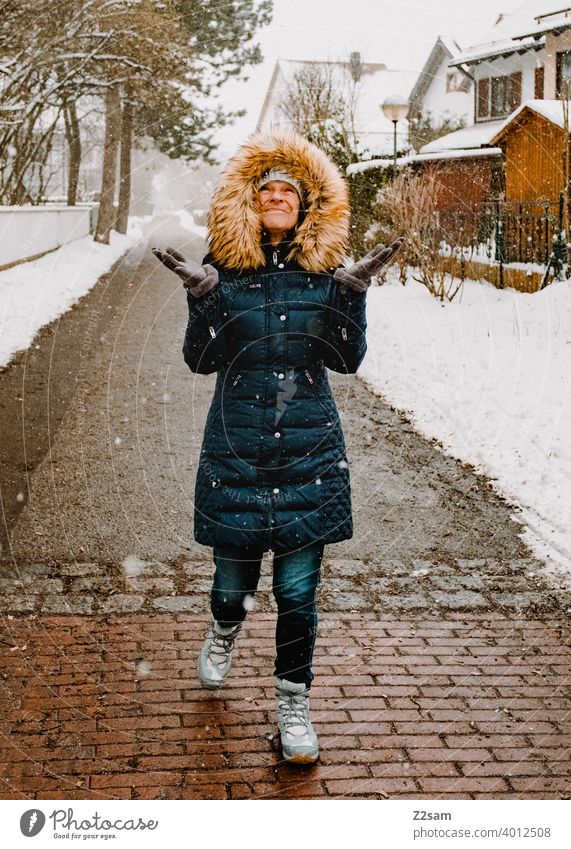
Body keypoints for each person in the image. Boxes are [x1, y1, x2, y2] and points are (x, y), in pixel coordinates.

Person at [153, 129, 402, 765]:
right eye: (268, 190)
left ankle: (294, 705)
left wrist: (350, 298)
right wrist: (204, 300)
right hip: (237, 447)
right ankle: (224, 628)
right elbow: (202, 359)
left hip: (308, 453)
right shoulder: (226, 274)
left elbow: (344, 360)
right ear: (249, 202)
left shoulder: (324, 277)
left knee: (296, 594)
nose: (278, 199)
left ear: (307, 205)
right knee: (230, 581)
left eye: (289, 191)